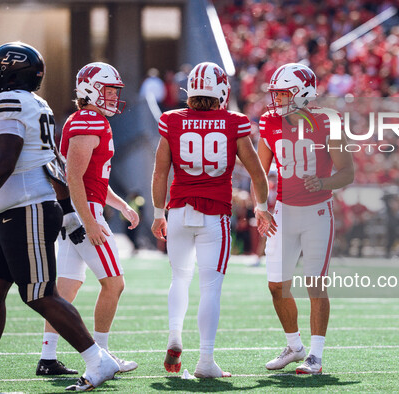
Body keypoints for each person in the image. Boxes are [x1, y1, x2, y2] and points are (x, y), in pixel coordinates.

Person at [0, 41, 119, 392]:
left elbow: (4, 159)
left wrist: (70, 214)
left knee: (39, 294)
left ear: (9, 72)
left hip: (24, 208)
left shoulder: (8, 101)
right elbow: (53, 166)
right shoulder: (37, 103)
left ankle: (98, 359)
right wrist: (68, 214)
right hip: (13, 208)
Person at [151, 61, 276, 378]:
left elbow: (160, 172)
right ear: (222, 92)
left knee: (179, 279)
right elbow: (257, 173)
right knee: (210, 288)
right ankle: (205, 361)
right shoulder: (233, 122)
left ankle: (174, 336)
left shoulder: (171, 121)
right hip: (215, 216)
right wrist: (261, 206)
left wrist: (156, 213)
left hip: (178, 212)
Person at [38, 62, 140, 374]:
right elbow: (74, 177)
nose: (113, 96)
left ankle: (47, 357)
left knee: (67, 288)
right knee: (114, 284)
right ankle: (103, 355)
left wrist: (122, 206)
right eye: (108, 90)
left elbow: (95, 180)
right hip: (85, 213)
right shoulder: (88, 121)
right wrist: (89, 220)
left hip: (82, 210)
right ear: (90, 90)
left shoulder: (90, 119)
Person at [257, 63, 354, 374]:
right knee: (276, 285)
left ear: (303, 93)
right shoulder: (269, 120)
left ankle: (316, 354)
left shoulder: (327, 121)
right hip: (283, 211)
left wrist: (323, 182)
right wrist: (261, 205)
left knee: (315, 285)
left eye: (284, 93)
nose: (277, 100)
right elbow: (260, 172)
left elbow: (347, 172)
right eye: (276, 93)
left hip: (317, 211)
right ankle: (294, 346)